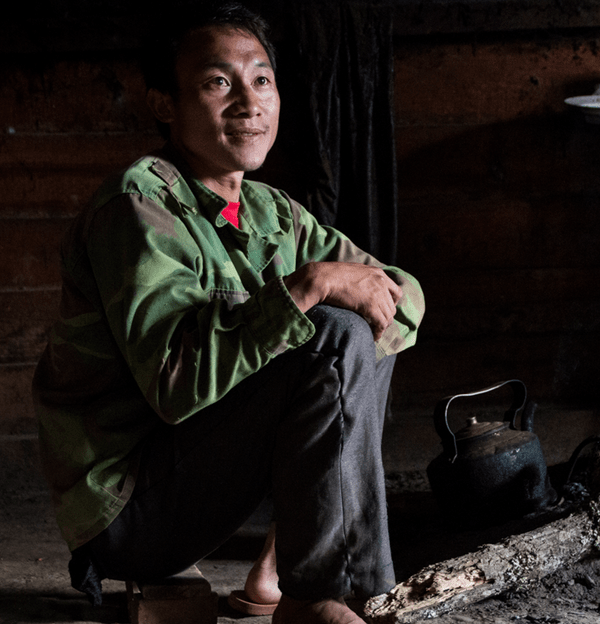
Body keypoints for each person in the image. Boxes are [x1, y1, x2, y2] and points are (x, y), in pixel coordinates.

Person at [31, 3, 424, 623]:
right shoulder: (140, 206)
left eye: (262, 80)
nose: (250, 102)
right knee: (330, 331)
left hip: (204, 483)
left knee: (359, 328)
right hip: (133, 507)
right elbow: (177, 385)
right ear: (165, 104)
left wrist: (346, 288)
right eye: (219, 83)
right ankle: (323, 592)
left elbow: (403, 298)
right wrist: (309, 286)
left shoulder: (273, 211)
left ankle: (282, 569)